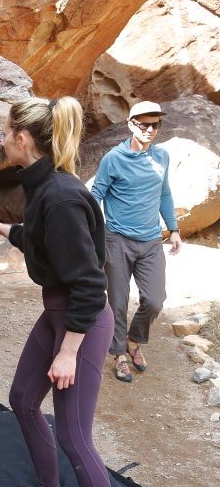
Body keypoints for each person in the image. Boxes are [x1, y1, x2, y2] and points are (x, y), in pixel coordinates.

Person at [0, 97, 113, 487]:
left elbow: (90, 285)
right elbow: (41, 239)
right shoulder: (43, 186)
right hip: (58, 312)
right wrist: (2, 227)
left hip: (80, 321)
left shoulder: (61, 196)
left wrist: (69, 352)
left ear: (22, 139)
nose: (1, 140)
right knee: (22, 399)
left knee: (75, 439)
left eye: (5, 132)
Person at [90, 101, 182, 383]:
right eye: (144, 124)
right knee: (117, 302)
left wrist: (174, 229)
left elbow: (164, 193)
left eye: (155, 124)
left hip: (151, 241)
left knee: (155, 300)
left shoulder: (162, 156)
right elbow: (96, 196)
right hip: (117, 240)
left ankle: (134, 340)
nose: (150, 130)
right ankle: (119, 354)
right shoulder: (113, 159)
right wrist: (92, 231)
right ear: (131, 124)